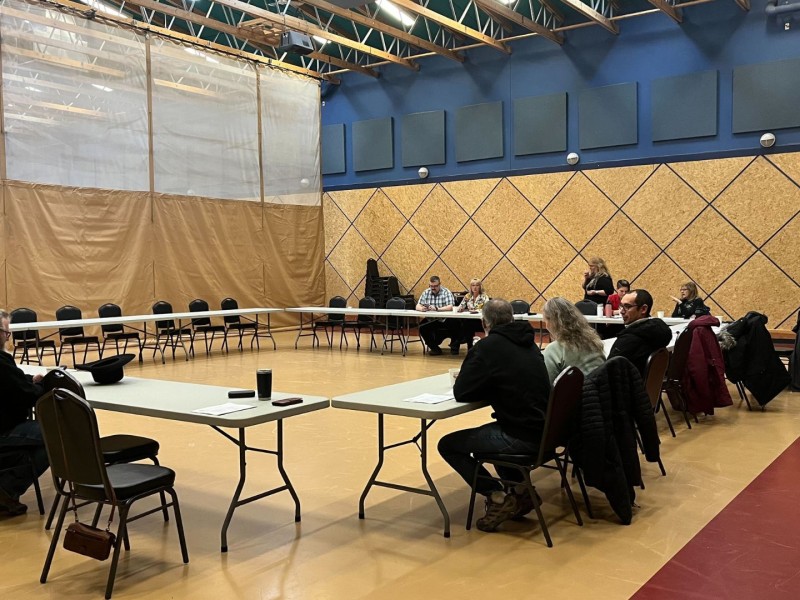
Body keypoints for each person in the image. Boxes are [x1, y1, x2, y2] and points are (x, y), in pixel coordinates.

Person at [437, 299, 551, 532]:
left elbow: (462, 392)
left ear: (484, 322)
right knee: (492, 435)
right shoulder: (529, 342)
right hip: (548, 432)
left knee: (448, 445)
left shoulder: (487, 348)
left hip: (521, 435)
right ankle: (521, 491)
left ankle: (498, 496)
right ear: (511, 318)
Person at [0, 309, 48, 516]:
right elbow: (27, 396)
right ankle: (6, 490)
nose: (7, 337)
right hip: (4, 429)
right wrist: (40, 386)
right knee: (59, 434)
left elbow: (12, 385)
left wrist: (28, 382)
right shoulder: (1, 361)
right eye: (6, 332)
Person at [608, 289, 672, 376]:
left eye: (627, 306)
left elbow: (607, 372)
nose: (622, 311)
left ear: (643, 309)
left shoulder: (628, 341)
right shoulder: (658, 332)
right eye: (621, 306)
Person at [541, 297, 605, 384]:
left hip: (577, 395)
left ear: (551, 321)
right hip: (602, 392)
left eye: (545, 320)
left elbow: (548, 385)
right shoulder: (594, 341)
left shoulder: (554, 350)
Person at [416, 276, 460, 355]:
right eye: (431, 286)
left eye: (435, 286)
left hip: (445, 319)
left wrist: (437, 309)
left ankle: (454, 347)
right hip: (432, 319)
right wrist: (422, 309)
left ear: (440, 284)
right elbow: (417, 306)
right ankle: (434, 348)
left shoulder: (446, 292)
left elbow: (450, 307)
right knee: (422, 327)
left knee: (456, 322)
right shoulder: (426, 292)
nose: (433, 288)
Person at [455, 278, 490, 350]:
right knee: (464, 324)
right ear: (470, 287)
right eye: (473, 285)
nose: (475, 287)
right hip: (469, 319)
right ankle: (469, 347)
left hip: (480, 320)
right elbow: (460, 307)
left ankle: (472, 346)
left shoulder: (484, 296)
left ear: (480, 286)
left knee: (469, 325)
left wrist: (477, 310)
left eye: (477, 285)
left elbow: (487, 309)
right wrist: (461, 308)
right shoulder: (468, 296)